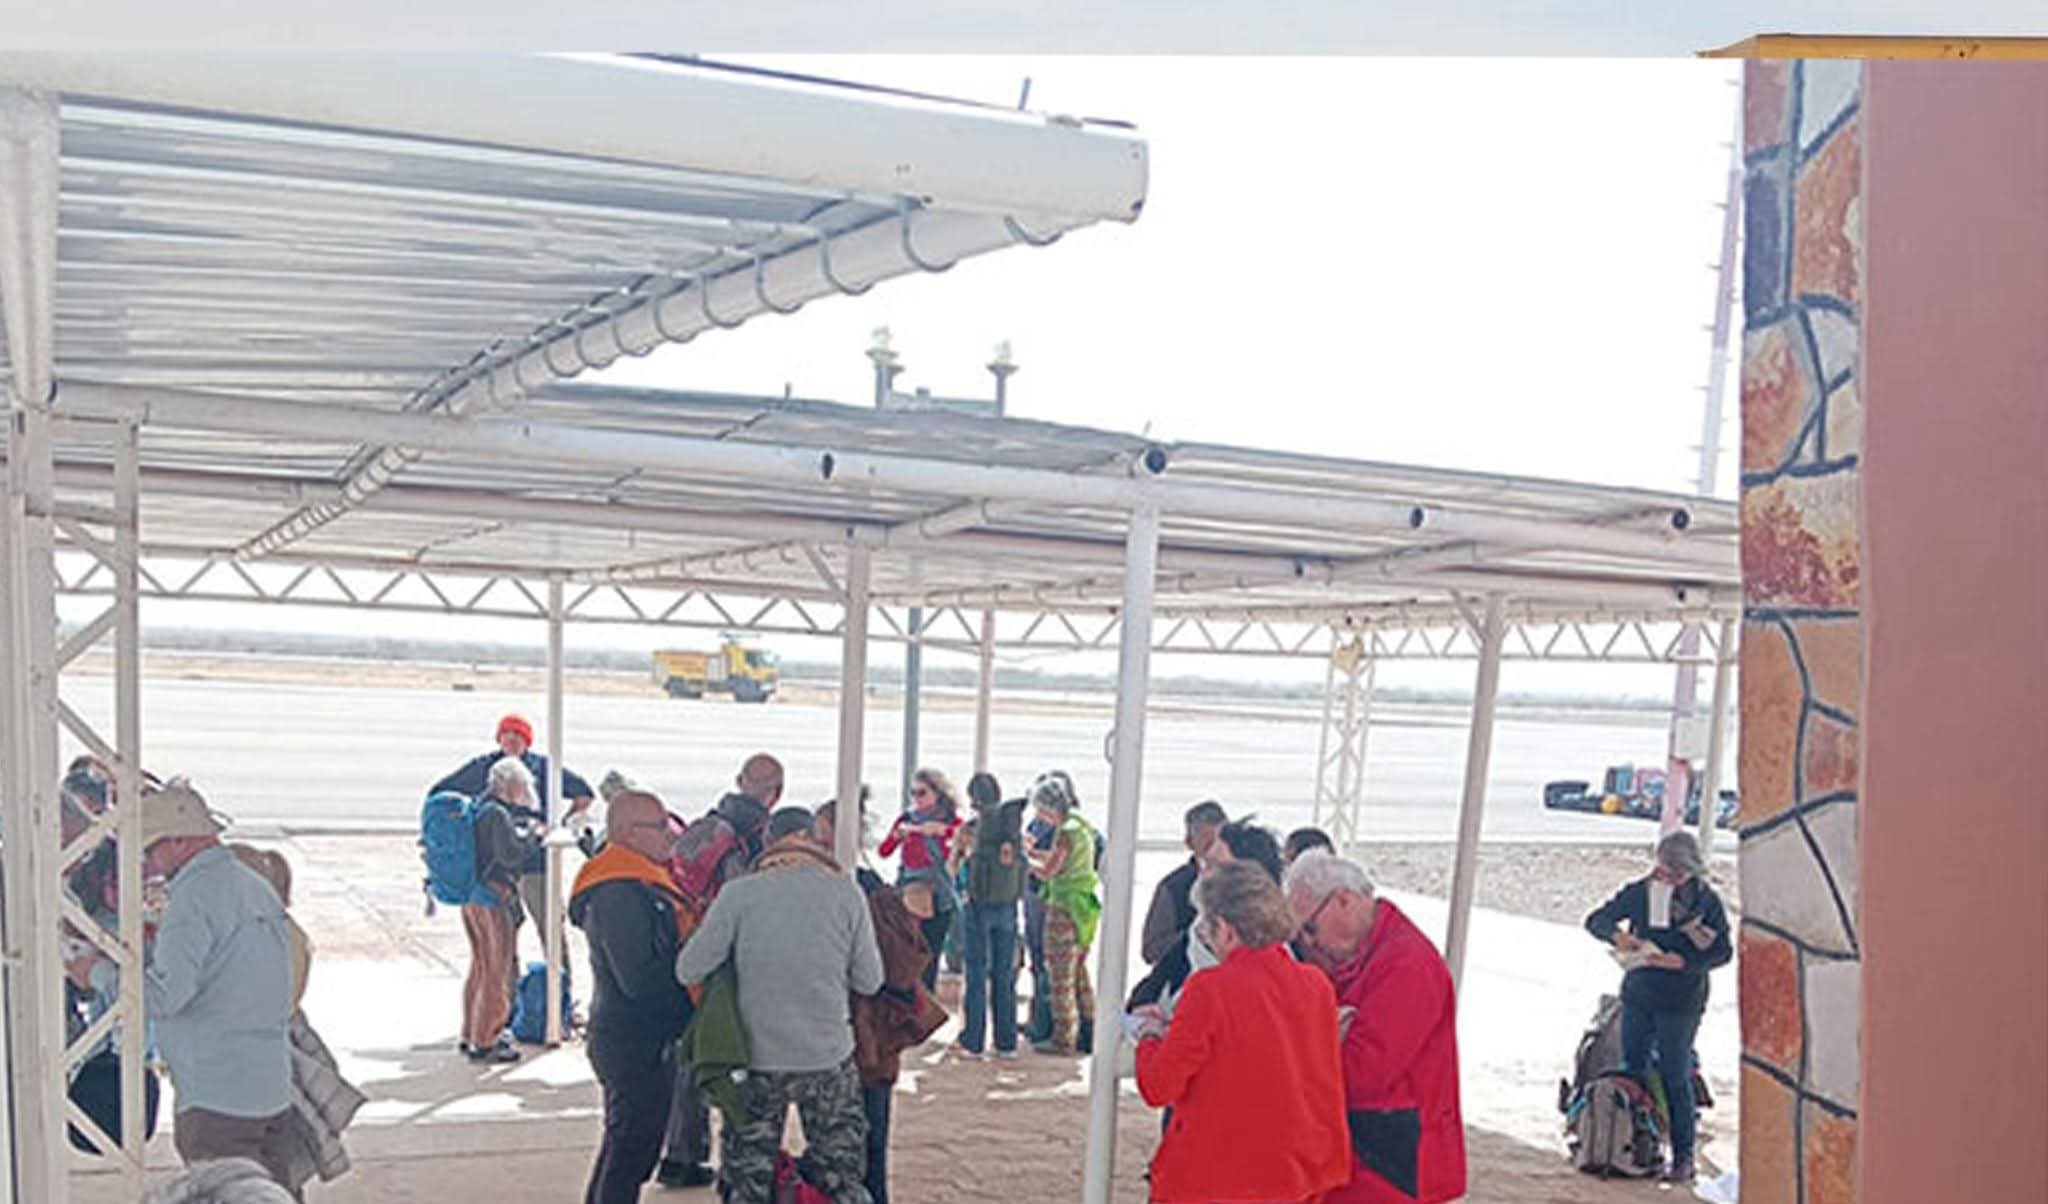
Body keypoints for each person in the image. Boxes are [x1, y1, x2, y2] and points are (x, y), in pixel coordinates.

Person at [71, 782, 296, 1189]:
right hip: (271, 1087)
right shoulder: (254, 886)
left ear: (178, 840)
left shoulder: (193, 898)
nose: (150, 862)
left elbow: (164, 997)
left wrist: (98, 972)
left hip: (218, 1097)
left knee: (224, 1192)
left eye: (152, 849)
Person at [676, 807, 883, 1204]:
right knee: (841, 1181)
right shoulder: (846, 892)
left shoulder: (739, 894)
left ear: (768, 842)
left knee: (747, 1184)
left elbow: (689, 969)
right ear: (814, 840)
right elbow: (869, 981)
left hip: (755, 1059)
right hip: (827, 1057)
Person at [1133, 862, 1351, 1204]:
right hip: (1296, 1176)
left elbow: (1158, 1086)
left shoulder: (1209, 989)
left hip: (1213, 1178)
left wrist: (1150, 1035)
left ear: (1225, 929)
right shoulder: (1315, 985)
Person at [1286, 851, 1466, 1204]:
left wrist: (1298, 1054)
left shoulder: (1407, 964)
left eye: (1309, 929)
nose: (1308, 943)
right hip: (1369, 1157)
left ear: (1344, 900)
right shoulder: (1359, 953)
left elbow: (1363, 1072)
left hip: (1398, 1167)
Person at [570, 789, 697, 1204]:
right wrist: (693, 956)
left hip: (642, 1038)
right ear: (628, 834)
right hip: (631, 1041)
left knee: (627, 1148)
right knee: (629, 1152)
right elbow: (638, 979)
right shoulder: (618, 893)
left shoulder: (642, 882)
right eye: (660, 827)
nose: (671, 835)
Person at [1583, 830, 1732, 1184]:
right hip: (1640, 992)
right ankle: (1634, 1142)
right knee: (1632, 1067)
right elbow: (1596, 919)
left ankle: (1683, 1157)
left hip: (1682, 999)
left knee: (1674, 1074)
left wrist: (1685, 963)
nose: (1670, 880)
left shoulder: (1706, 901)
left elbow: (1723, 951)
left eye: (1678, 875)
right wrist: (1619, 937)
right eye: (1665, 872)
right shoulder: (1640, 892)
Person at [815, 796, 943, 1204]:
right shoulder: (878, 891)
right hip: (879, 1034)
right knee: (870, 1133)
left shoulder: (840, 893)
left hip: (855, 1028)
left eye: (819, 832)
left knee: (841, 1137)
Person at [432, 714, 595, 959]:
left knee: (549, 924)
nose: (511, 740)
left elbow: (584, 793)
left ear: (527, 741)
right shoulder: (485, 767)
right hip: (496, 868)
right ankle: (510, 982)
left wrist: (561, 823)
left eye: (518, 736)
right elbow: (440, 793)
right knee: (502, 935)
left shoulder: (543, 767)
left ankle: (559, 977)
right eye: (506, 735)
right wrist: (465, 824)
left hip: (535, 863)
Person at [461, 759, 534, 1064]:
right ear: (509, 784)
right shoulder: (498, 815)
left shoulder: (479, 807)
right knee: (496, 971)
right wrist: (533, 838)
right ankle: (486, 1040)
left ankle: (470, 1032)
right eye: (522, 784)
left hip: (471, 895)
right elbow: (510, 855)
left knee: (479, 966)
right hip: (494, 897)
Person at [952, 772, 1026, 1059]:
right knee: (1004, 974)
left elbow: (952, 866)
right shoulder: (1012, 831)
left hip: (978, 907)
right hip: (1008, 907)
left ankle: (973, 1040)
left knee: (976, 972)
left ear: (973, 798)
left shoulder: (971, 830)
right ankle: (1006, 1042)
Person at [1025, 774, 1099, 1055]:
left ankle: (1063, 1037)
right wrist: (1036, 853)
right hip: (1083, 909)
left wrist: (1025, 862)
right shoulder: (1081, 826)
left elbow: (1049, 872)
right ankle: (1089, 1030)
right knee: (1079, 974)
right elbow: (1063, 861)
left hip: (1064, 907)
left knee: (1060, 977)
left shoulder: (1065, 832)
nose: (1039, 816)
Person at [877, 767, 963, 992]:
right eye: (913, 793)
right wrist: (897, 836)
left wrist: (942, 832)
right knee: (907, 953)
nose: (917, 799)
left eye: (922, 793)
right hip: (910, 893)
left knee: (932, 954)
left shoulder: (950, 821)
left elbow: (963, 844)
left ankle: (927, 997)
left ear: (938, 794)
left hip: (939, 896)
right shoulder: (907, 819)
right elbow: (884, 851)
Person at [1141, 801, 1228, 969]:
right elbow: (1151, 949)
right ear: (1189, 842)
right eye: (1208, 845)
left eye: (1221, 844)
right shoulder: (1173, 887)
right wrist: (1194, 936)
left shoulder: (1246, 884)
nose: (1214, 853)